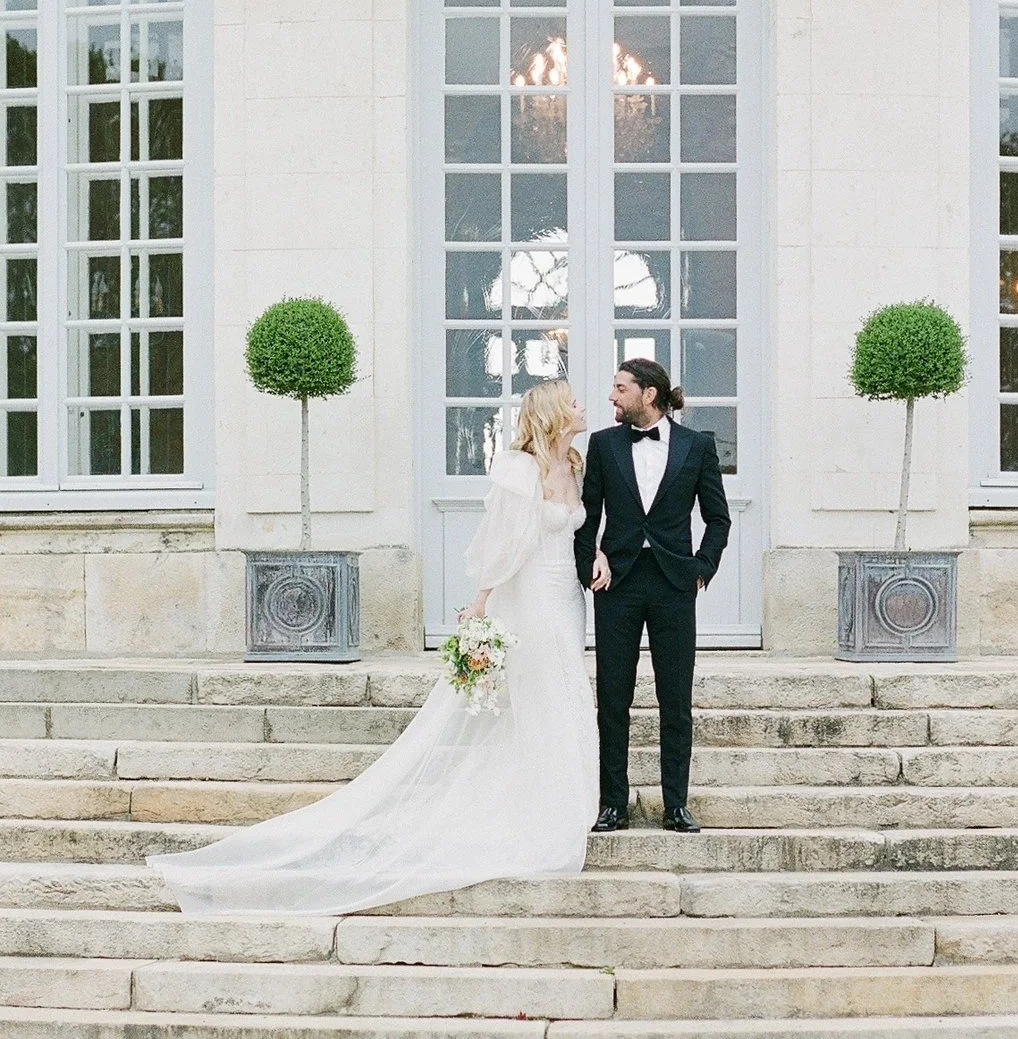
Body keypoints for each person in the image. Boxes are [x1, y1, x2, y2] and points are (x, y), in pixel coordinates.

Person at [148, 382, 595, 915]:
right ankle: (539, 807)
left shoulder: (573, 462)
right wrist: (480, 603)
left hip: (567, 596)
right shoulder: (521, 470)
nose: (581, 407)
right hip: (532, 599)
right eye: (572, 401)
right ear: (552, 413)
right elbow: (503, 542)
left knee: (566, 693)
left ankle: (563, 798)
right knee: (540, 696)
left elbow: (582, 529)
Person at [575, 356, 730, 834]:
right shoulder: (603, 445)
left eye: (620, 388)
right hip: (617, 583)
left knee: (675, 699)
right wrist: (589, 562)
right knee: (613, 697)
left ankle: (676, 805)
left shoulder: (697, 446)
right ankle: (613, 805)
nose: (612, 396)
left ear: (649, 394)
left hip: (673, 585)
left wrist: (702, 569)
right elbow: (586, 515)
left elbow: (718, 518)